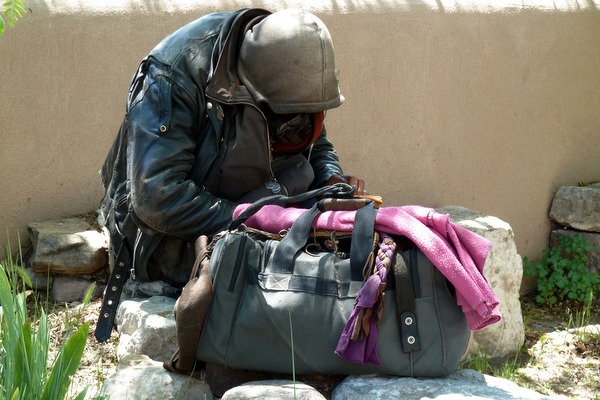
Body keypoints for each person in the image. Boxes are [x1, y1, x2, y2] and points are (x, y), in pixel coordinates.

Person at [95, 8, 365, 342]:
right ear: (249, 89)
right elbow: (157, 197)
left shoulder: (287, 62)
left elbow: (315, 139)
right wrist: (252, 219)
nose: (296, 126)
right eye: (287, 119)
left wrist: (331, 181)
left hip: (262, 211)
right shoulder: (173, 74)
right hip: (174, 233)